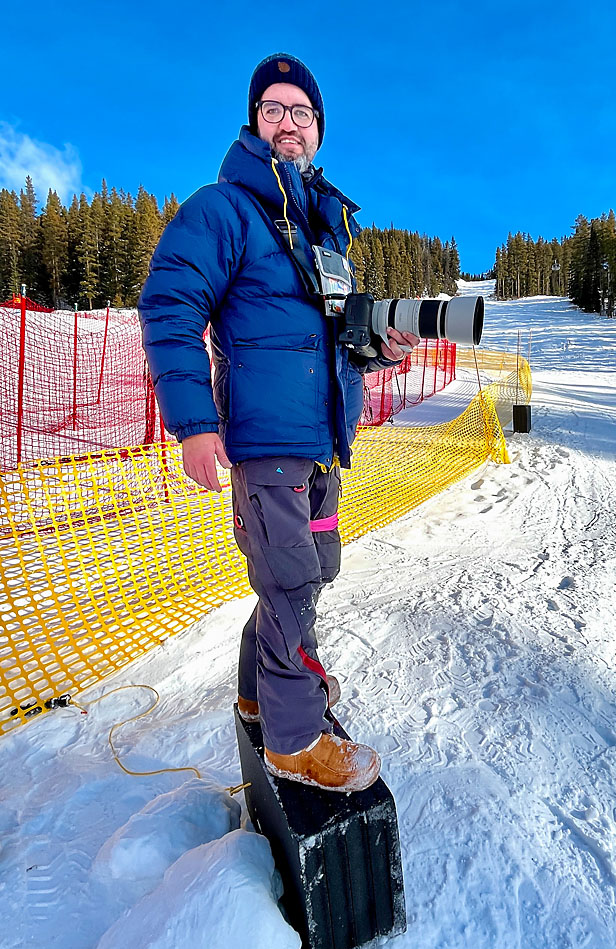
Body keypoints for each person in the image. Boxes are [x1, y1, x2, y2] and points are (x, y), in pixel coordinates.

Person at [138, 53, 418, 793]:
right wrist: (194, 423)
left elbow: (329, 354)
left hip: (320, 450)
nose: (288, 123)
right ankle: (293, 742)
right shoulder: (223, 210)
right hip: (266, 449)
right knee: (290, 580)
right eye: (274, 110)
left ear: (318, 131)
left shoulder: (329, 236)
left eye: (301, 112)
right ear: (255, 123)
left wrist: (374, 352)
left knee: (308, 575)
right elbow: (170, 306)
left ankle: (259, 695)